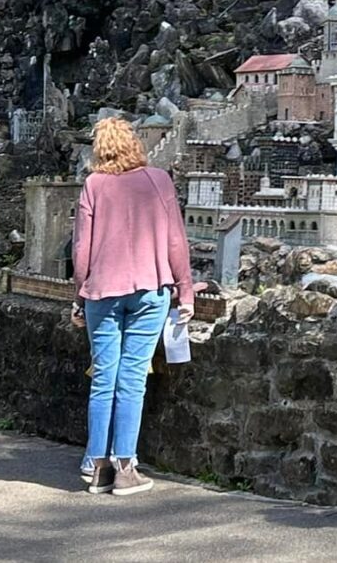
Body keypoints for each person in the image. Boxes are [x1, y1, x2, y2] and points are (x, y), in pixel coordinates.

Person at [71, 117, 193, 497]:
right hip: (148, 289)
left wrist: (79, 297)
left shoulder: (93, 185)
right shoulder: (158, 180)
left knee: (104, 377)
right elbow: (176, 241)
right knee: (133, 378)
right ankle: (126, 466)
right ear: (135, 145)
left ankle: (95, 466)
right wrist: (185, 292)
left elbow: (80, 252)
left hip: (101, 291)